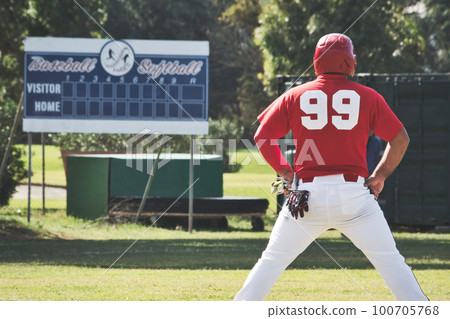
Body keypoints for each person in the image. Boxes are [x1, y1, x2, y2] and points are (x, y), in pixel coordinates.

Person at [234, 33, 428, 301]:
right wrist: (380, 175)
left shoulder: (295, 95)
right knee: (392, 262)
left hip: (307, 197)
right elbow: (400, 138)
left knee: (271, 262)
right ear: (349, 62)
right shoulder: (368, 96)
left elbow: (262, 137)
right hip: (354, 196)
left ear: (317, 61)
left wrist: (285, 172)